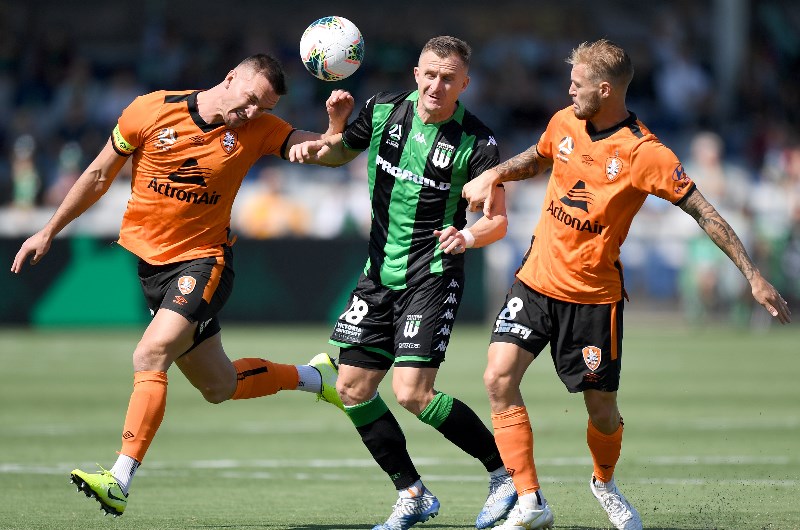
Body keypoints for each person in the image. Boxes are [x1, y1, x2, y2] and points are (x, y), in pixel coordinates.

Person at [461, 39, 791, 530]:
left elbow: (704, 212)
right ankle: (530, 500)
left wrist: (753, 275)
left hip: (594, 299)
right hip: (534, 283)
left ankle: (604, 482)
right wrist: (496, 174)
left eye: (577, 83)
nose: (568, 89)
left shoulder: (645, 152)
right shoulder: (564, 122)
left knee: (603, 413)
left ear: (605, 88)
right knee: (497, 378)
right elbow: (538, 157)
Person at [10, 54, 354, 517]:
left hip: (204, 262)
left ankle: (119, 479)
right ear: (230, 77)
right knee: (219, 385)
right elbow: (96, 175)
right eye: (251, 99)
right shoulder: (150, 109)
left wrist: (333, 126)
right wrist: (49, 229)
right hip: (152, 268)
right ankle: (316, 377)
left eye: (263, 106)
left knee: (149, 354)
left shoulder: (260, 129)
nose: (252, 112)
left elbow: (325, 152)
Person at [290, 36, 516, 530]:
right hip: (378, 277)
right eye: (430, 74)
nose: (438, 85)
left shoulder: (478, 142)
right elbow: (334, 155)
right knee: (351, 387)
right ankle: (412, 493)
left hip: (431, 276)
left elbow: (497, 220)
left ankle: (504, 476)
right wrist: (332, 127)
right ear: (416, 74)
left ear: (464, 84)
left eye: (449, 78)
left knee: (412, 392)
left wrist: (468, 235)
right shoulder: (383, 109)